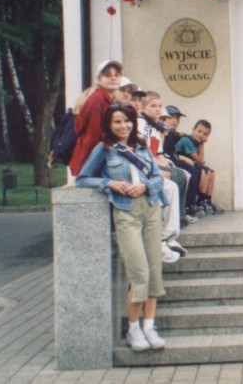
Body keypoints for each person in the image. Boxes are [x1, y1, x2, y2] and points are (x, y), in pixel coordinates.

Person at [75, 103, 168, 353]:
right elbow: (83, 179)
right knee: (139, 272)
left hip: (151, 209)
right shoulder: (104, 149)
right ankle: (133, 329)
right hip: (126, 212)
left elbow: (158, 178)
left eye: (127, 121)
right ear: (109, 124)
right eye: (117, 121)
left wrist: (146, 186)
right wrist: (110, 183)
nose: (123, 126)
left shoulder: (142, 146)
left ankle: (149, 326)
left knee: (154, 271)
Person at [138, 92, 191, 261]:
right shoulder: (141, 124)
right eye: (153, 106)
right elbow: (144, 153)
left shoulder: (155, 127)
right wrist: (160, 170)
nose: (158, 109)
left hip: (154, 163)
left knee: (181, 175)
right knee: (173, 181)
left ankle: (173, 230)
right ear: (143, 108)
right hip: (145, 168)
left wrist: (168, 166)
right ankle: (165, 235)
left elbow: (159, 153)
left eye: (160, 106)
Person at [69, 60, 123, 177]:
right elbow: (93, 136)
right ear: (99, 79)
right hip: (89, 161)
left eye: (117, 75)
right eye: (108, 75)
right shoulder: (97, 98)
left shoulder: (109, 100)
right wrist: (87, 169)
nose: (113, 78)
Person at [174, 119, 223, 215]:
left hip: (190, 164)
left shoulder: (197, 143)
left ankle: (206, 200)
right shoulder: (187, 140)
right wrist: (202, 145)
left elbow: (200, 160)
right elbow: (199, 160)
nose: (201, 135)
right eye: (199, 131)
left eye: (205, 134)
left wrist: (201, 145)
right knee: (204, 171)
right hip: (178, 161)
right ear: (193, 129)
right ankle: (199, 202)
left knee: (211, 172)